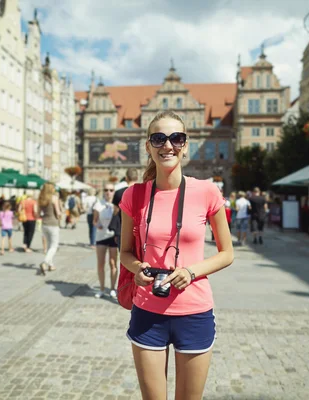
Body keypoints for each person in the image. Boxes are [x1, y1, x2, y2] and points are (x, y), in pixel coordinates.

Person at [119, 111, 233, 399]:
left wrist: (191, 271)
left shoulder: (207, 191)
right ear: (148, 147)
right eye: (159, 138)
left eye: (176, 138)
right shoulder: (133, 195)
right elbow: (124, 252)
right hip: (147, 312)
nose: (167, 145)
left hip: (194, 313)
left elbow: (227, 253)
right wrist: (138, 270)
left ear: (185, 145)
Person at [93, 182, 117, 299]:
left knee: (113, 263)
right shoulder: (99, 204)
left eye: (111, 190)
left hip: (113, 236)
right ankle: (102, 288)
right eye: (106, 190)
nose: (108, 192)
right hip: (101, 237)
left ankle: (112, 288)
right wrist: (98, 225)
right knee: (101, 264)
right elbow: (94, 220)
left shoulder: (117, 205)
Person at [110, 168, 139, 249]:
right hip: (139, 229)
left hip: (123, 229)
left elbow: (115, 211)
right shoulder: (144, 191)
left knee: (125, 255)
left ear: (126, 178)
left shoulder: (119, 193)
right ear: (137, 177)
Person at [38, 182, 62, 274]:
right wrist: (60, 216)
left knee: (49, 245)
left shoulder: (41, 199)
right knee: (54, 246)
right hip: (53, 223)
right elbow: (58, 212)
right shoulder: (54, 198)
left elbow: (38, 213)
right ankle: (45, 262)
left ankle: (51, 265)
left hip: (44, 224)